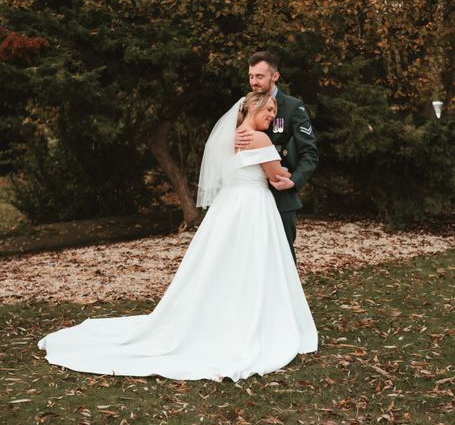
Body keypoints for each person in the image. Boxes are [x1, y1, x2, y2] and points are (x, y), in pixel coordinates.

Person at [38, 92, 317, 381]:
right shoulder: (260, 139)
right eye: (268, 109)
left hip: (229, 208)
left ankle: (224, 317)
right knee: (252, 265)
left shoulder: (232, 136)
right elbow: (276, 177)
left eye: (274, 111)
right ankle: (253, 322)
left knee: (223, 267)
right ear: (253, 106)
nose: (272, 116)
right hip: (252, 208)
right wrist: (285, 170)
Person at [236, 51, 318, 262]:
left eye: (260, 76)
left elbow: (309, 153)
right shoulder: (243, 105)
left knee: (282, 257)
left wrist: (294, 181)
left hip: (281, 195)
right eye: (251, 76)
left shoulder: (292, 107)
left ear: (275, 76)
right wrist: (232, 141)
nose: (254, 82)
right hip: (248, 196)